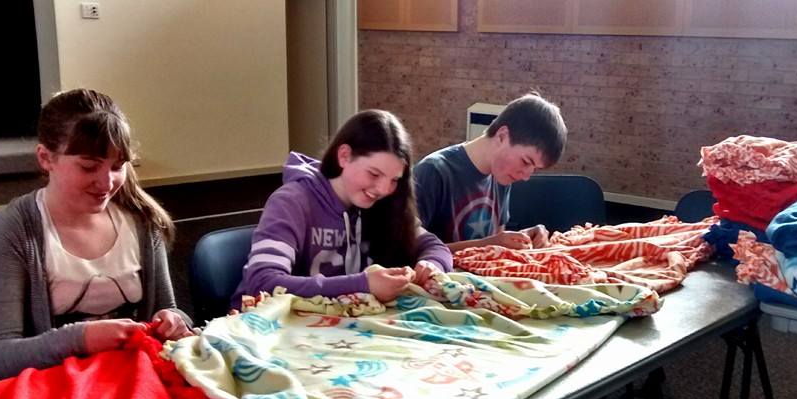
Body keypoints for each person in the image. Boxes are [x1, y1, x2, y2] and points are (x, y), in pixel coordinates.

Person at [0, 88, 193, 382]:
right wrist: (79, 340)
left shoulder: (142, 220)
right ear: (46, 158)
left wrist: (174, 321)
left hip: (136, 384)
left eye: (118, 166)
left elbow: (170, 310)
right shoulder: (11, 231)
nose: (106, 183)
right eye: (89, 167)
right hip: (56, 392)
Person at [232, 109, 452, 306]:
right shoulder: (292, 202)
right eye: (374, 174)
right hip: (267, 325)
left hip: (338, 325)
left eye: (395, 180)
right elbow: (263, 283)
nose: (384, 189)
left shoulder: (385, 203)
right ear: (344, 156)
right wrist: (362, 284)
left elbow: (435, 246)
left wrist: (431, 265)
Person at [414, 92, 567, 252]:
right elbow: (406, 250)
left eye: (534, 169)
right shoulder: (434, 171)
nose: (526, 176)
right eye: (526, 162)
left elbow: (496, 242)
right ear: (502, 136)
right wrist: (489, 244)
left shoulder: (502, 176)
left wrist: (522, 238)